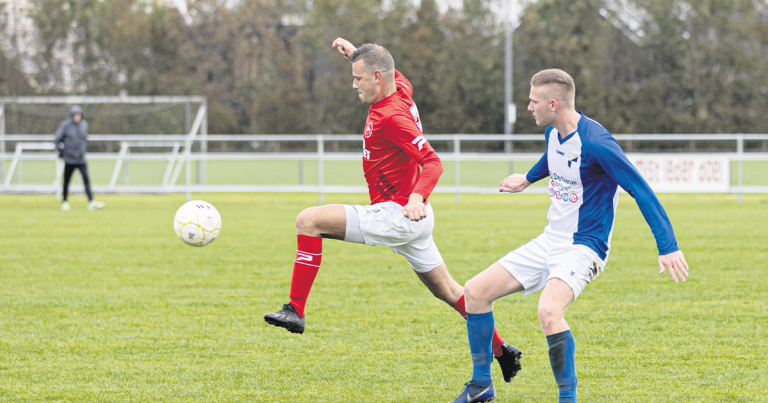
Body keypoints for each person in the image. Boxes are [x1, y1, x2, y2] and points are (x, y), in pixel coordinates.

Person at [264, 38, 522, 382]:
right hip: (413, 219)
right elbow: (383, 64)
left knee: (308, 221)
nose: (354, 85)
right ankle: (502, 350)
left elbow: (432, 162)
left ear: (376, 78)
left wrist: (416, 197)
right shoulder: (399, 86)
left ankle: (295, 309)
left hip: (399, 214)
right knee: (450, 292)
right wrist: (356, 51)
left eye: (358, 79)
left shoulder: (392, 116)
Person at [449, 69, 690, 403]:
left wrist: (668, 246)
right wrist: (528, 179)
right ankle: (480, 385)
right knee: (475, 292)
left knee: (549, 311)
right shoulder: (553, 132)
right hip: (550, 240)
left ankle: (568, 399)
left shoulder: (597, 143)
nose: (528, 107)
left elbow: (640, 189)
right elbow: (555, 158)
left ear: (553, 103)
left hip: (585, 246)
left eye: (533, 101)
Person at [53, 106, 104, 211]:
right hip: (69, 159)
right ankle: (65, 202)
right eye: (75, 115)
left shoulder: (84, 125)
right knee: (66, 181)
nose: (77, 117)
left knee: (86, 180)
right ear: (72, 116)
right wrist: (61, 152)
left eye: (79, 115)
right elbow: (57, 139)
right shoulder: (66, 125)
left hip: (80, 159)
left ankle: (91, 202)